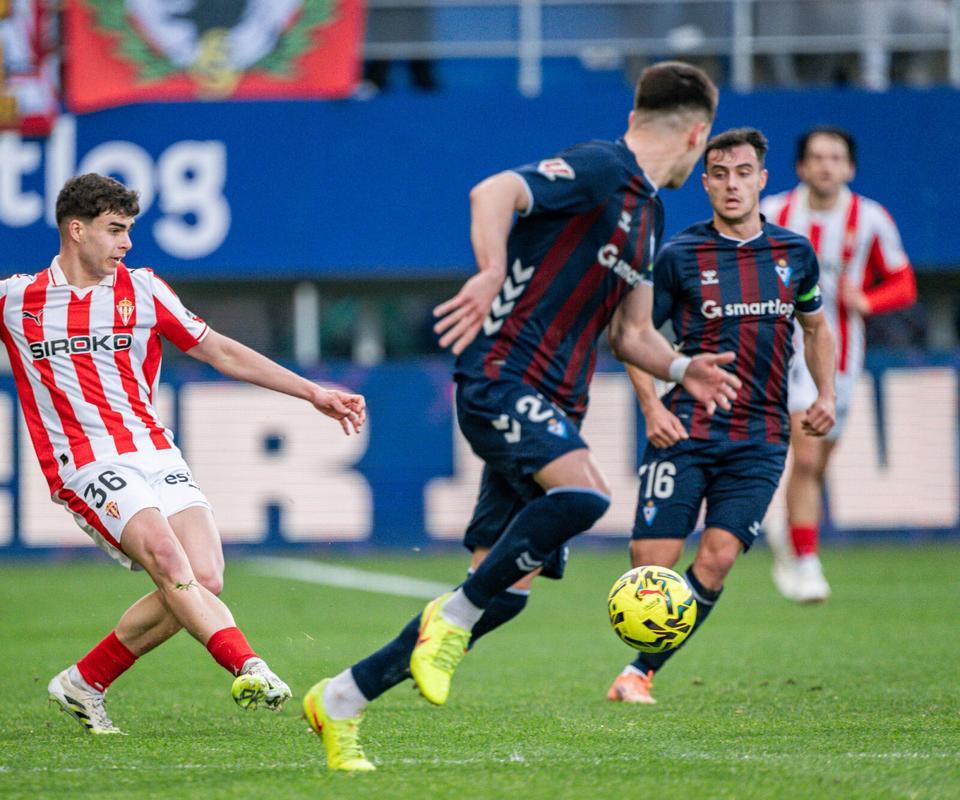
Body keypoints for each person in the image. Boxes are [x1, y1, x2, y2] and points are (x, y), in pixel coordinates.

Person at [0, 173, 366, 735]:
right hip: (84, 463)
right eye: (116, 229)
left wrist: (313, 391)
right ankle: (249, 667)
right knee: (168, 559)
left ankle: (85, 682)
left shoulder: (145, 289)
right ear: (76, 229)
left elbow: (221, 352)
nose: (127, 242)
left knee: (205, 577)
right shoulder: (17, 299)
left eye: (130, 229)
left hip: (157, 453)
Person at [302, 61, 740, 772]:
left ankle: (341, 699)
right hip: (502, 374)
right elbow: (496, 189)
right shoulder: (604, 168)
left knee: (504, 593)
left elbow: (631, 334)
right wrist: (488, 267)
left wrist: (686, 368)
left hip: (556, 397)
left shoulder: (651, 214)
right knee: (585, 495)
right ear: (699, 133)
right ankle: (450, 619)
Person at [605, 127, 835, 704]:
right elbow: (631, 335)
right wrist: (652, 404)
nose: (732, 185)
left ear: (762, 179)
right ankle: (639, 657)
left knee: (719, 556)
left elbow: (816, 328)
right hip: (684, 428)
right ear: (704, 182)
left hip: (761, 436)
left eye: (743, 173)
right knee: (649, 566)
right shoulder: (681, 254)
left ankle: (639, 672)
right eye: (720, 174)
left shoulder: (793, 254)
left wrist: (825, 395)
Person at [760, 126, 917, 603]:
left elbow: (903, 282)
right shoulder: (773, 214)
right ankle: (806, 560)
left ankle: (792, 533)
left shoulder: (870, 219)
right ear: (801, 167)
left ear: (849, 167)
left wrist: (867, 300)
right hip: (784, 353)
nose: (826, 166)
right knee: (805, 454)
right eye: (817, 157)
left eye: (835, 158)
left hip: (843, 357)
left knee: (818, 459)